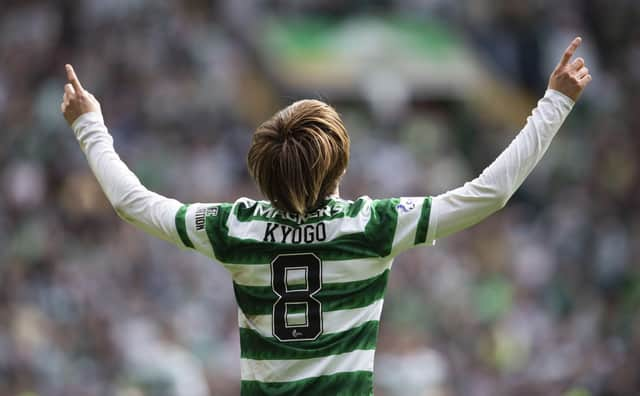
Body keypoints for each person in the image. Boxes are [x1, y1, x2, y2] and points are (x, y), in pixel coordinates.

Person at [61, 37, 591, 395]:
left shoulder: (233, 229)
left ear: (260, 172)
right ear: (340, 165)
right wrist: (555, 103)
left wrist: (90, 125)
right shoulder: (374, 226)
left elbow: (132, 203)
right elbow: (489, 194)